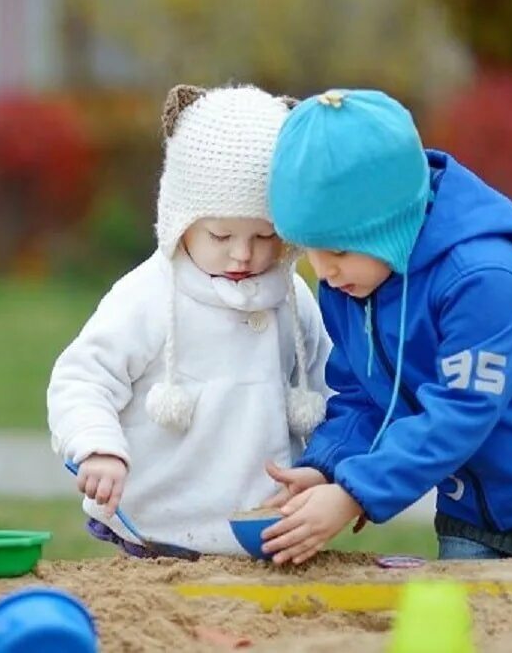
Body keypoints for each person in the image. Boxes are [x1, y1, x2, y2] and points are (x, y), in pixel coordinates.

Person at [260, 88, 512, 564]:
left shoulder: (485, 277)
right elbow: (365, 399)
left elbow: (460, 410)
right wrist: (330, 468)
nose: (323, 271)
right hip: (475, 511)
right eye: (310, 249)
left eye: (340, 250)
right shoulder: (350, 288)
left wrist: (356, 492)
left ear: (388, 226)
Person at [47, 84, 330, 556]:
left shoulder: (292, 297)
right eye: (221, 234)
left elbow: (329, 384)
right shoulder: (148, 296)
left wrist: (332, 471)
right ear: (181, 220)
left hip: (263, 524)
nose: (243, 253)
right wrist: (98, 447)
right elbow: (82, 378)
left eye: (265, 235)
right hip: (161, 528)